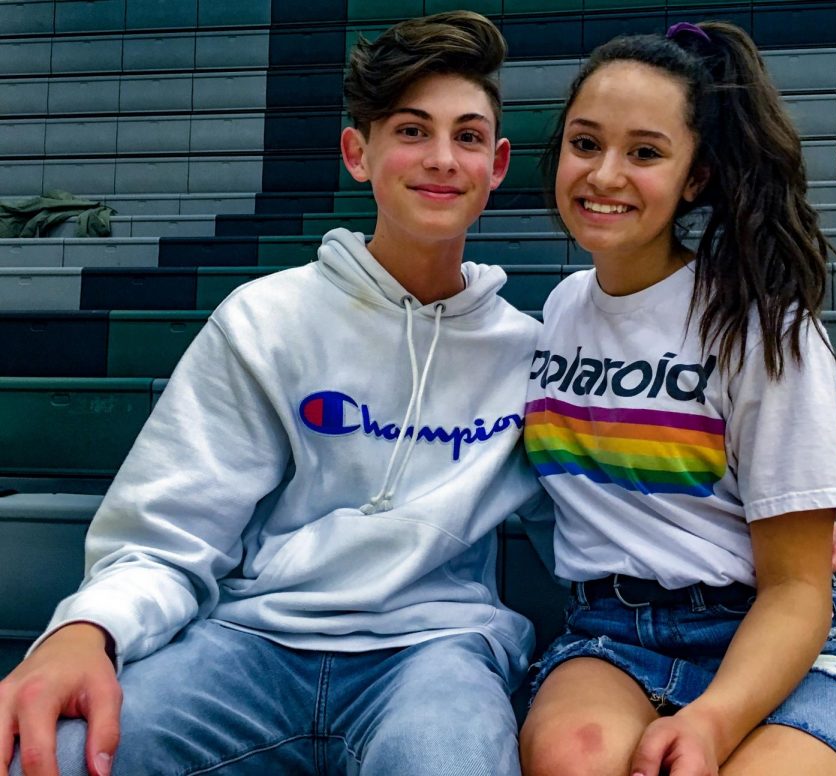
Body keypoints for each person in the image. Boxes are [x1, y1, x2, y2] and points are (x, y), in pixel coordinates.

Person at [0, 12, 544, 776]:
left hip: (435, 650)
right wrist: (86, 630)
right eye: (413, 131)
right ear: (359, 152)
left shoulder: (529, 351)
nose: (442, 159)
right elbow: (168, 532)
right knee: (53, 759)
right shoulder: (265, 318)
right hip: (249, 643)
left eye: (469, 136)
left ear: (498, 163)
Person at [519, 21, 836, 776]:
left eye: (645, 152)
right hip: (610, 631)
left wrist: (714, 723)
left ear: (695, 177)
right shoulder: (558, 311)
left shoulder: (764, 328)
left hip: (767, 634)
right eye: (585, 144)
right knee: (575, 761)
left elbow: (795, 586)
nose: (605, 174)